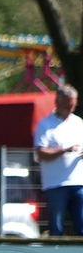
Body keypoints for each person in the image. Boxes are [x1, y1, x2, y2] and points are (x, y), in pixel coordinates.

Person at [34, 84, 83, 236]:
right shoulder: (45, 125)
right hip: (55, 184)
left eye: (73, 106)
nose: (71, 110)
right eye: (68, 106)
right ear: (57, 102)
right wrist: (64, 150)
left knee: (81, 226)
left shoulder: (78, 122)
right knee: (56, 228)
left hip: (79, 183)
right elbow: (40, 154)